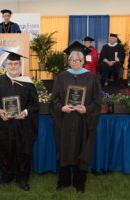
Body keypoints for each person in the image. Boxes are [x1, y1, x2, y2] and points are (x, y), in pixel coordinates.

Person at [50, 43, 101, 193]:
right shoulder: (62, 77)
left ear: (83, 61)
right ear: (69, 61)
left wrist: (87, 109)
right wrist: (61, 108)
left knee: (82, 148)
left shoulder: (92, 77)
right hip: (65, 121)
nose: (75, 62)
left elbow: (97, 101)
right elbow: (54, 99)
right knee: (64, 148)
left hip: (83, 121)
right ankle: (63, 181)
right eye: (72, 60)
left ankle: (80, 182)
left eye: (78, 60)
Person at [0, 50, 39, 191]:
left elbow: (34, 104)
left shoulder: (28, 83)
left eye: (16, 63)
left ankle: (23, 178)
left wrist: (25, 112)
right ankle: (6, 176)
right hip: (4, 122)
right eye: (10, 63)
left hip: (22, 124)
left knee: (23, 151)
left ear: (20, 64)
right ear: (5, 65)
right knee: (5, 150)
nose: (13, 66)